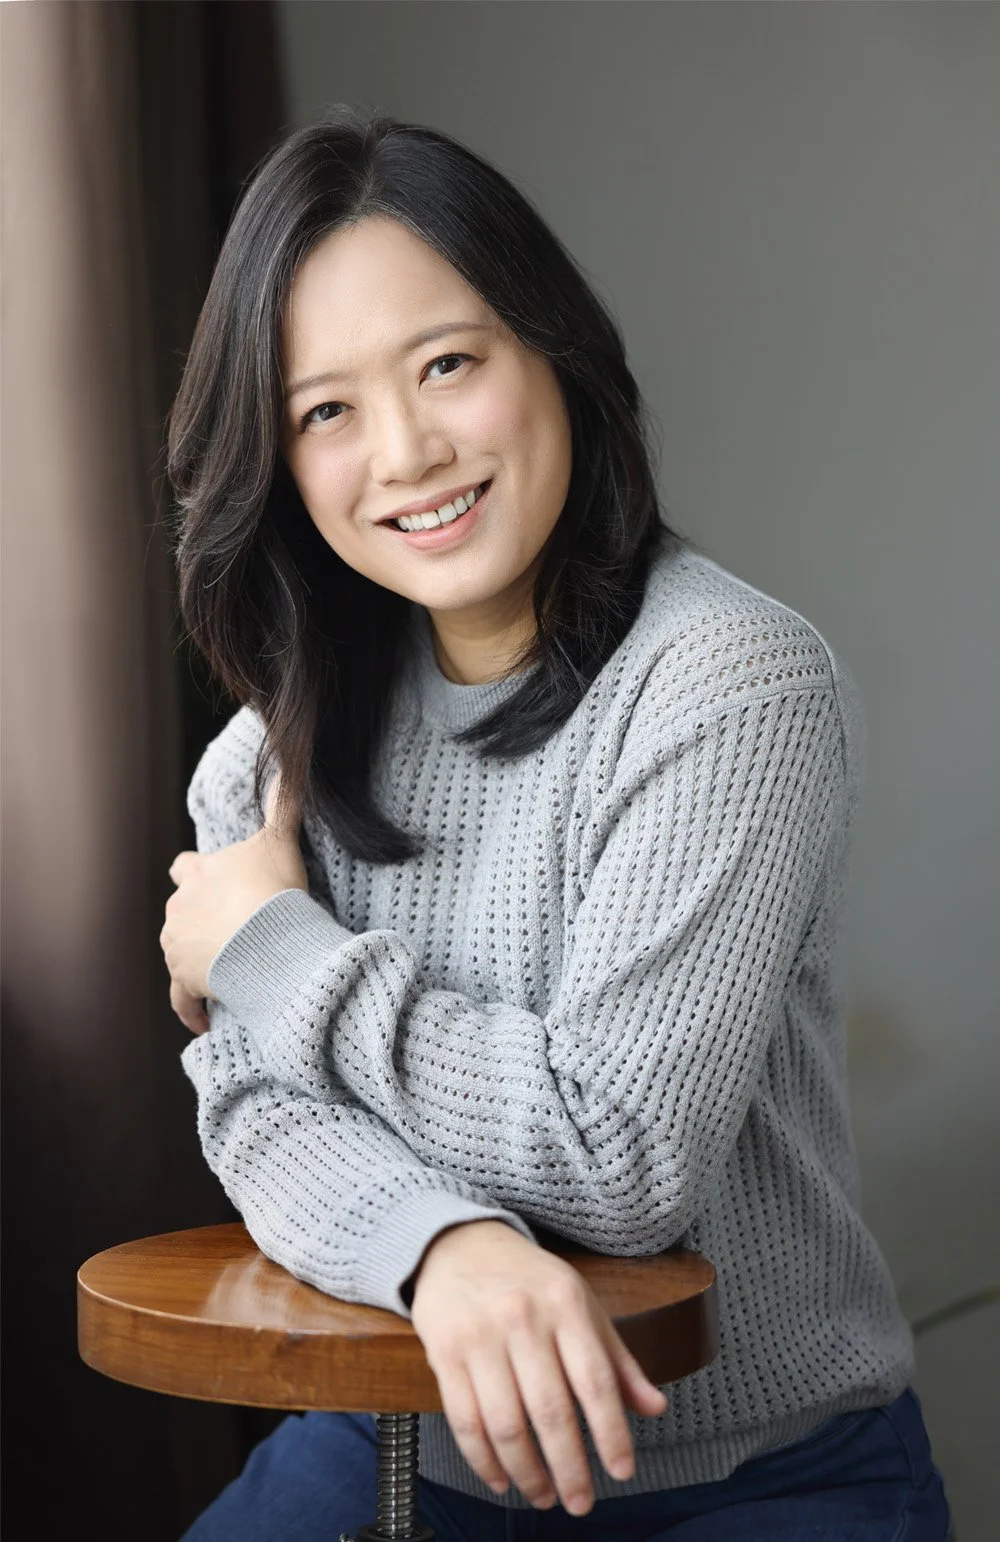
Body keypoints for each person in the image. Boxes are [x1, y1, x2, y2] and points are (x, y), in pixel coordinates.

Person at [159, 107, 951, 1541]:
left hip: (747, 1473)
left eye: (447, 363)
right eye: (324, 409)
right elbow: (250, 1108)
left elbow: (620, 1153)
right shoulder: (267, 751)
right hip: (402, 1433)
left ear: (554, 355)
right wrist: (441, 1245)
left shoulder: (725, 681)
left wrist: (273, 953)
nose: (402, 451)